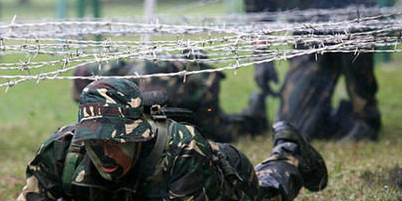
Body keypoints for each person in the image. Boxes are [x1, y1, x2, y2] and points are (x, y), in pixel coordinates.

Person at [11, 78, 328, 201]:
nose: (105, 154)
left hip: (223, 186)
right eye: (96, 144)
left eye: (116, 143)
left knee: (267, 199)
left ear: (138, 136)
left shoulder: (182, 149)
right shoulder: (64, 149)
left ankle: (290, 152)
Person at [236, 0, 381, 141]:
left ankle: (366, 118)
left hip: (349, 20)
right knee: (292, 126)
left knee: (354, 37)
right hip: (310, 35)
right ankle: (338, 117)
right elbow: (256, 14)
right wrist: (261, 58)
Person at [71, 51, 268, 143]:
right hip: (179, 89)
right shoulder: (126, 75)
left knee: (220, 132)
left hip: (200, 84)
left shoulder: (140, 80)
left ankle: (255, 117)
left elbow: (155, 117)